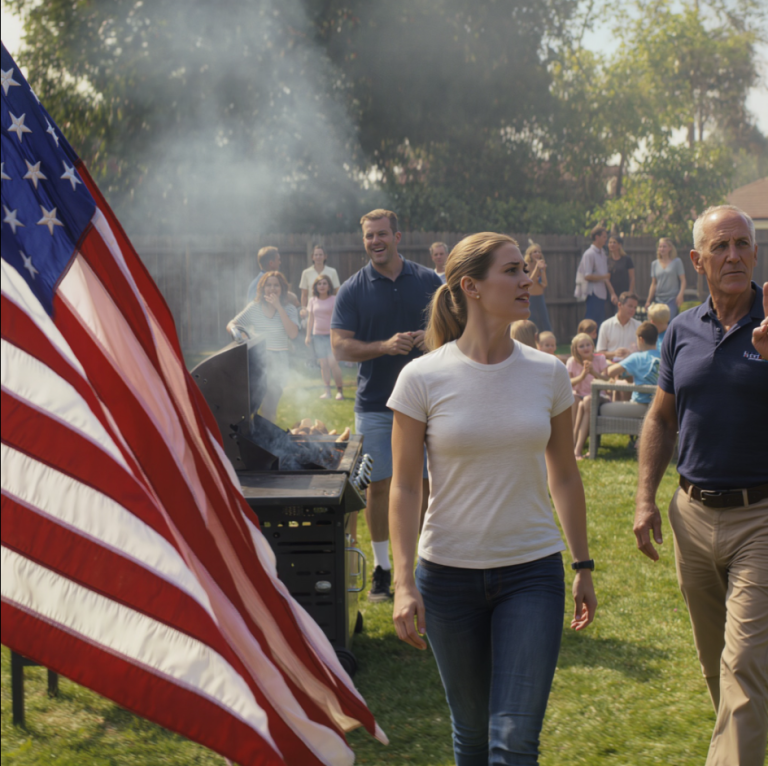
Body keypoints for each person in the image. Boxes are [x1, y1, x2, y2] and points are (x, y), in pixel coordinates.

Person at [388, 232, 596, 765]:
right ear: (471, 287)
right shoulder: (421, 378)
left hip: (532, 573)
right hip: (447, 577)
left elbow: (566, 476)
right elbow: (406, 486)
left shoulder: (548, 373)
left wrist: (582, 564)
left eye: (525, 268)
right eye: (512, 270)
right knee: (474, 737)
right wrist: (404, 582)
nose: (527, 279)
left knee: (513, 742)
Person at [634, 205, 768, 766]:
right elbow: (662, 419)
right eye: (721, 246)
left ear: (755, 254)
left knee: (743, 668)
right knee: (719, 666)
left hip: (760, 518)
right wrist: (644, 498)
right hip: (690, 514)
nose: (733, 255)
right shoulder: (681, 329)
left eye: (743, 244)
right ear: (698, 259)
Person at [331, 209, 442, 602]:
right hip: (376, 404)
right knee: (378, 487)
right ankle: (382, 568)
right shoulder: (353, 289)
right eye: (368, 236)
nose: (374, 242)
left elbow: (454, 330)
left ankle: (425, 565)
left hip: (430, 403)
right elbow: (340, 346)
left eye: (381, 234)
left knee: (427, 485)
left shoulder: (429, 281)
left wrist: (429, 340)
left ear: (398, 236)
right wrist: (383, 346)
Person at [227, 272, 299, 423]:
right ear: (262, 288)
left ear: (282, 289)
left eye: (276, 285)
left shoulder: (290, 309)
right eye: (268, 285)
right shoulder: (254, 308)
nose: (272, 288)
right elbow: (232, 324)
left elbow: (293, 334)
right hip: (257, 362)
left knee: (269, 407)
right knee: (251, 407)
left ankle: (266, 439)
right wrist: (242, 336)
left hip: (279, 363)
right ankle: (256, 439)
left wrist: (279, 307)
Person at [603, 322, 660, 421]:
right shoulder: (667, 357)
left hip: (641, 407)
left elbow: (610, 372)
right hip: (661, 406)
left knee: (602, 408)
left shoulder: (636, 357)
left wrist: (625, 362)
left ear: (641, 339)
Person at [567, 333, 609, 460]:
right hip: (579, 396)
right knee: (574, 400)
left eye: (588, 344)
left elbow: (607, 381)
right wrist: (582, 376)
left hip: (599, 396)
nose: (586, 348)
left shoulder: (600, 359)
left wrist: (593, 372)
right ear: (575, 349)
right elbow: (567, 383)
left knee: (587, 401)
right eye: (581, 346)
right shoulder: (571, 361)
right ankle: (571, 445)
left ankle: (577, 449)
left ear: (593, 346)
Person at [305, 274, 344, 400]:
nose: (321, 286)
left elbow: (339, 318)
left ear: (329, 286)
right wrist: (308, 336)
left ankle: (339, 391)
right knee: (324, 365)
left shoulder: (334, 299)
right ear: (316, 286)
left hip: (332, 336)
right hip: (317, 336)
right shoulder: (312, 300)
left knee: (333, 363)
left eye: (324, 283)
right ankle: (327, 392)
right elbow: (310, 319)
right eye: (319, 284)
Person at [578, 225, 616, 330]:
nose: (606, 239)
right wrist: (604, 276)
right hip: (593, 293)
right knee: (590, 322)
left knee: (599, 322)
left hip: (602, 293)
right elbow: (587, 276)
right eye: (604, 237)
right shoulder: (589, 254)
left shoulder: (602, 253)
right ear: (597, 237)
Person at [645, 237, 686, 320]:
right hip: (658, 299)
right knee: (657, 322)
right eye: (660, 247)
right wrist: (648, 300)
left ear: (670, 248)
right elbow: (654, 283)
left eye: (664, 246)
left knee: (669, 322)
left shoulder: (677, 262)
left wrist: (680, 295)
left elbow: (683, 280)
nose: (662, 249)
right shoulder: (654, 264)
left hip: (672, 299)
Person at [595, 292, 640, 360]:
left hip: (632, 366)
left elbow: (644, 351)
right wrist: (614, 353)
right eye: (630, 306)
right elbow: (599, 352)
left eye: (635, 307)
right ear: (619, 305)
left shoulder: (639, 326)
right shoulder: (606, 325)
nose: (633, 310)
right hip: (611, 364)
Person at [299, 245, 341, 309]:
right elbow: (304, 295)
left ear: (325, 256)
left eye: (320, 255)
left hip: (328, 309)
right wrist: (303, 309)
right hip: (312, 309)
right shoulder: (306, 273)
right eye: (316, 255)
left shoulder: (332, 272)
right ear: (312, 257)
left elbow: (337, 292)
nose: (318, 257)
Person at [525, 241, 553, 332]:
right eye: (535, 252)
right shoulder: (526, 266)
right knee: (532, 321)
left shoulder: (541, 265)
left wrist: (542, 270)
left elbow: (545, 283)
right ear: (530, 254)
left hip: (540, 297)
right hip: (530, 298)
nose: (538, 254)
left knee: (545, 321)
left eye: (539, 252)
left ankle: (549, 340)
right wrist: (537, 268)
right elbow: (529, 284)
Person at [607, 235, 635, 306]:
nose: (611, 244)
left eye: (614, 242)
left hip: (624, 293)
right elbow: (606, 279)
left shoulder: (627, 259)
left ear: (620, 245)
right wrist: (612, 293)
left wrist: (630, 293)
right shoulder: (607, 260)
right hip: (610, 294)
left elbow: (632, 278)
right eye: (610, 242)